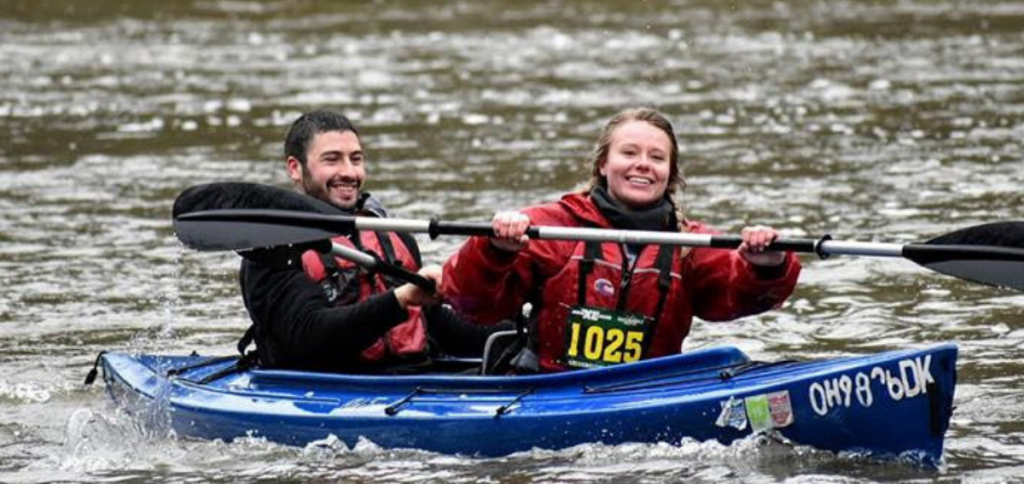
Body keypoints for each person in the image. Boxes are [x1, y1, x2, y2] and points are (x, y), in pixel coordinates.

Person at [442, 107, 801, 373]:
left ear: (670, 175)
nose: (643, 164)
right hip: (549, 389)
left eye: (657, 158)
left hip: (647, 390)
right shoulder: (549, 227)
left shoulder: (690, 244)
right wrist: (494, 249)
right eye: (629, 153)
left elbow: (738, 296)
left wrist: (767, 265)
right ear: (603, 164)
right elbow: (468, 302)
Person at [239, 109, 504, 372]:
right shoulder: (272, 249)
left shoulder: (391, 235)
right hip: (325, 390)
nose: (349, 172)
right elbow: (309, 335)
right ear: (295, 168)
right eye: (332, 160)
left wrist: (527, 330)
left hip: (413, 380)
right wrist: (399, 299)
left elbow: (436, 325)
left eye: (356, 159)